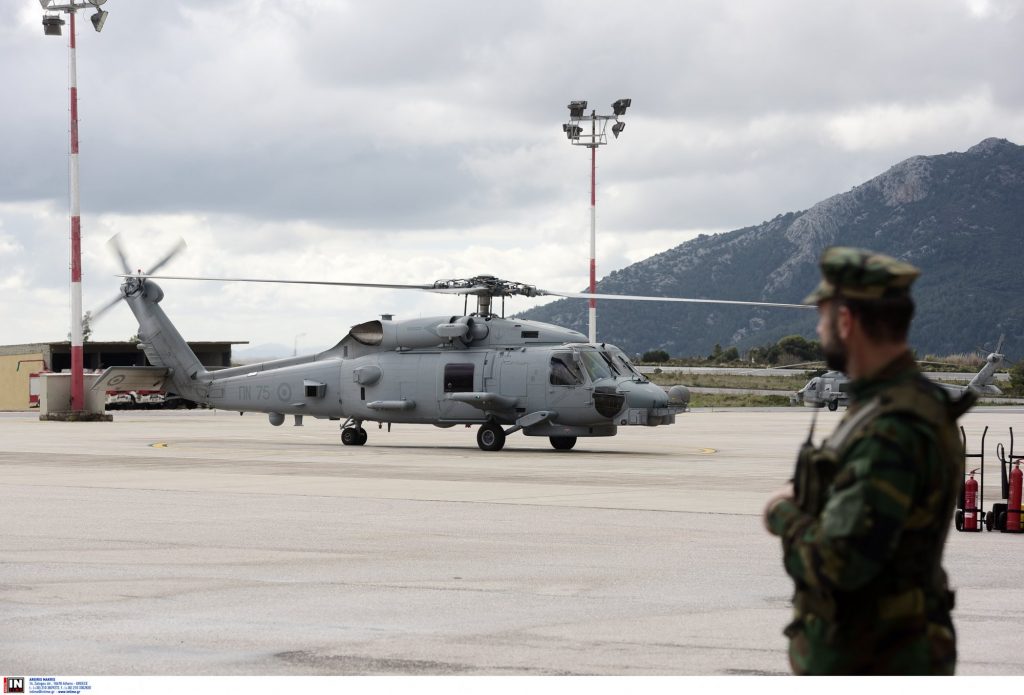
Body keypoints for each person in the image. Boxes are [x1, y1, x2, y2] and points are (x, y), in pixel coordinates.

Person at [763, 246, 974, 675]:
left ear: (845, 321)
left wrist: (782, 512)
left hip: (874, 657)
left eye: (823, 318)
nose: (819, 330)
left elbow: (839, 564)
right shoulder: (906, 405)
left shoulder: (889, 428)